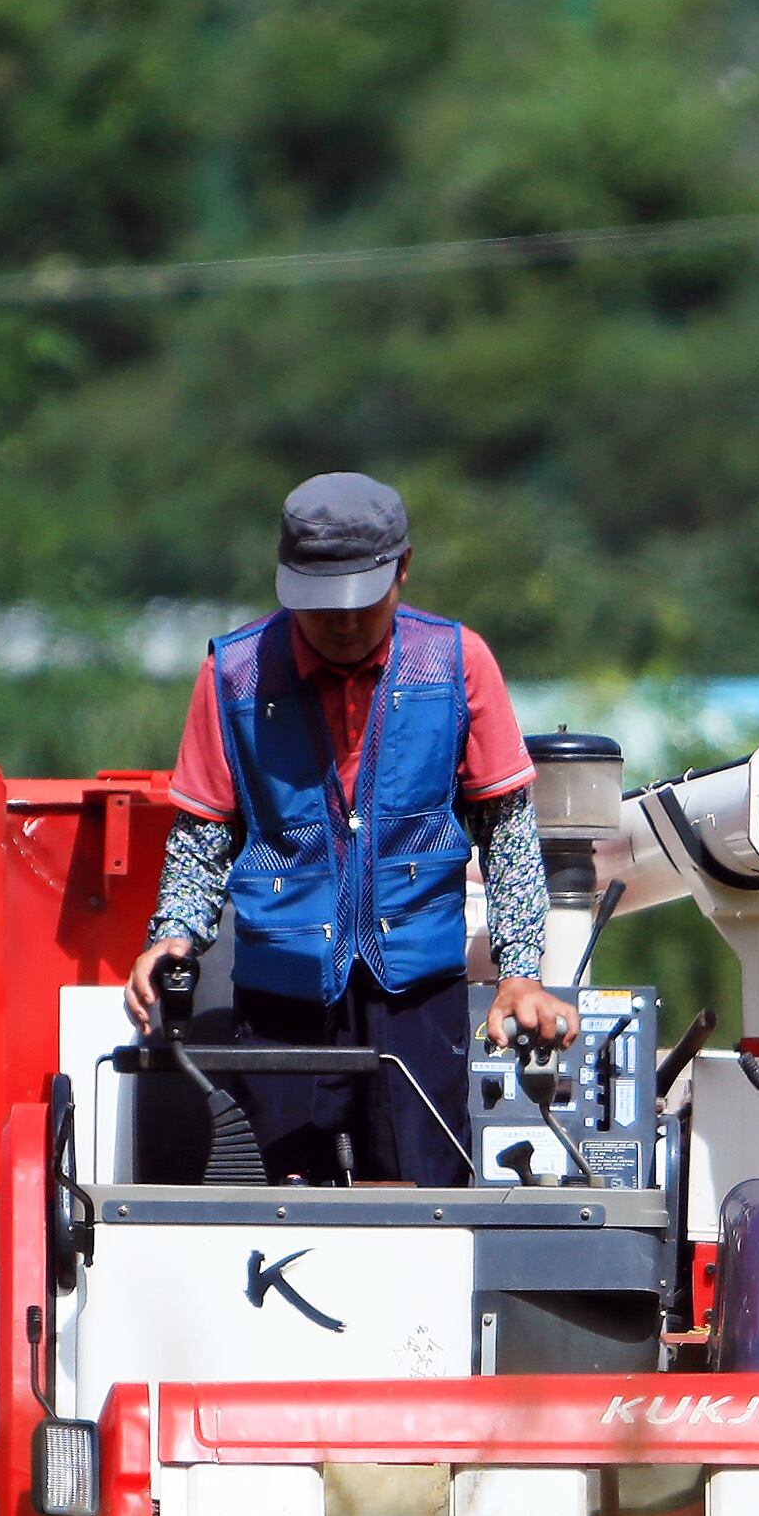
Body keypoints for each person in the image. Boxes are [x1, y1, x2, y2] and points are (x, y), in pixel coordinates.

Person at [122, 472, 577, 1186]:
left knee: (423, 1205)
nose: (340, 622)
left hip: (416, 998)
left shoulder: (459, 664)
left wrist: (520, 972)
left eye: (359, 605)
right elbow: (202, 837)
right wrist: (173, 932)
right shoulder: (232, 674)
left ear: (404, 569)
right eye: (319, 606)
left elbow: (508, 833)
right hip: (281, 997)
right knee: (280, 1212)